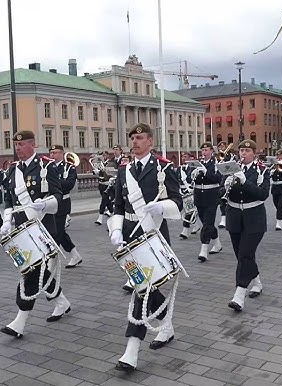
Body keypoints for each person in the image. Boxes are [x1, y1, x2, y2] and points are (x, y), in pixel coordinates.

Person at [109, 123, 182, 372]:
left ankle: (131, 349)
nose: (135, 142)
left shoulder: (163, 168)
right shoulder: (124, 171)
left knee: (142, 291)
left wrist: (162, 207)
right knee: (146, 287)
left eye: (140, 138)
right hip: (130, 236)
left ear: (150, 141)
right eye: (132, 138)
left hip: (153, 235)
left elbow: (178, 203)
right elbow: (118, 206)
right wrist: (116, 229)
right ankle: (167, 325)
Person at [0, 130, 71, 338]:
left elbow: (58, 196)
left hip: (42, 229)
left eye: (22, 145)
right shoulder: (12, 171)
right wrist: (6, 221)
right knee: (38, 271)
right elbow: (9, 201)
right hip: (22, 230)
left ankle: (19, 321)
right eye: (16, 146)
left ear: (32, 145)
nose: (18, 149)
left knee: (30, 272)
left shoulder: (47, 166)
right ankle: (61, 301)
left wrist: (45, 203)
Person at [224, 140, 269, 311]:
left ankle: (239, 295)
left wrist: (245, 182)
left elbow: (263, 194)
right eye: (241, 150)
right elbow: (221, 195)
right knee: (242, 255)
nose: (243, 154)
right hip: (234, 216)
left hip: (254, 218)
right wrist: (226, 185)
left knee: (245, 254)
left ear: (254, 153)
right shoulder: (231, 169)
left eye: (247, 151)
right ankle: (256, 281)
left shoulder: (262, 170)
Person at [49, 145, 84, 268]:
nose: (52, 155)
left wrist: (54, 183)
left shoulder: (69, 167)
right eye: (51, 153)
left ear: (62, 153)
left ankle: (51, 260)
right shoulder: (47, 167)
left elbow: (69, 184)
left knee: (57, 232)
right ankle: (75, 255)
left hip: (63, 204)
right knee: (58, 232)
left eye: (55, 152)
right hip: (50, 204)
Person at [192, 143, 223, 261]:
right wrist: (194, 174)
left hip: (211, 197)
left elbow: (218, 179)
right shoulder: (198, 164)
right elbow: (193, 180)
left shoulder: (216, 164)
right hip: (199, 196)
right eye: (202, 150)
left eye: (206, 150)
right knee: (206, 222)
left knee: (207, 224)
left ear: (211, 151)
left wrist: (205, 172)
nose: (203, 153)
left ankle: (203, 250)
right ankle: (217, 244)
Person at [270, 149, 282, 230]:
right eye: (277, 155)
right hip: (275, 187)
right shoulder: (273, 164)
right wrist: (271, 171)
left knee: (280, 204)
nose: (278, 156)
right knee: (276, 204)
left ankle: (279, 222)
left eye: (280, 155)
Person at [94, 151, 114, 225]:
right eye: (103, 155)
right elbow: (97, 173)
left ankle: (100, 218)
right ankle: (112, 212)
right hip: (101, 184)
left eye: (105, 155)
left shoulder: (110, 163)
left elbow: (110, 174)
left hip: (107, 184)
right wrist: (96, 171)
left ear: (108, 156)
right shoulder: (100, 163)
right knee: (107, 201)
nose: (104, 157)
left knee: (103, 201)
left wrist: (104, 170)